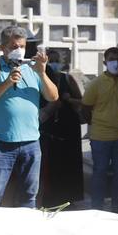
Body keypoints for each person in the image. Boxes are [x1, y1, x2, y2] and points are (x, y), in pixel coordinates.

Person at [0, 25, 58, 208]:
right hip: (2, 142)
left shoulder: (32, 69)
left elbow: (53, 96)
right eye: (13, 46)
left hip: (31, 142)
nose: (19, 50)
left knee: (29, 195)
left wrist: (42, 72)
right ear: (3, 47)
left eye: (22, 46)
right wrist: (6, 82)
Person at [83, 46, 118, 211]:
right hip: (100, 137)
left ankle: (117, 206)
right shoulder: (95, 84)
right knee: (100, 172)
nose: (116, 62)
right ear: (105, 62)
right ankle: (96, 207)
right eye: (112, 59)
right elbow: (86, 108)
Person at [39, 54, 85, 208]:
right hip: (49, 128)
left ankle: (69, 197)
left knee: (69, 164)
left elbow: (81, 101)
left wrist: (68, 99)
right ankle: (49, 198)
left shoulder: (67, 79)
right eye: (50, 61)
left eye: (55, 61)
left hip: (67, 127)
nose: (53, 64)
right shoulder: (42, 79)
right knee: (49, 164)